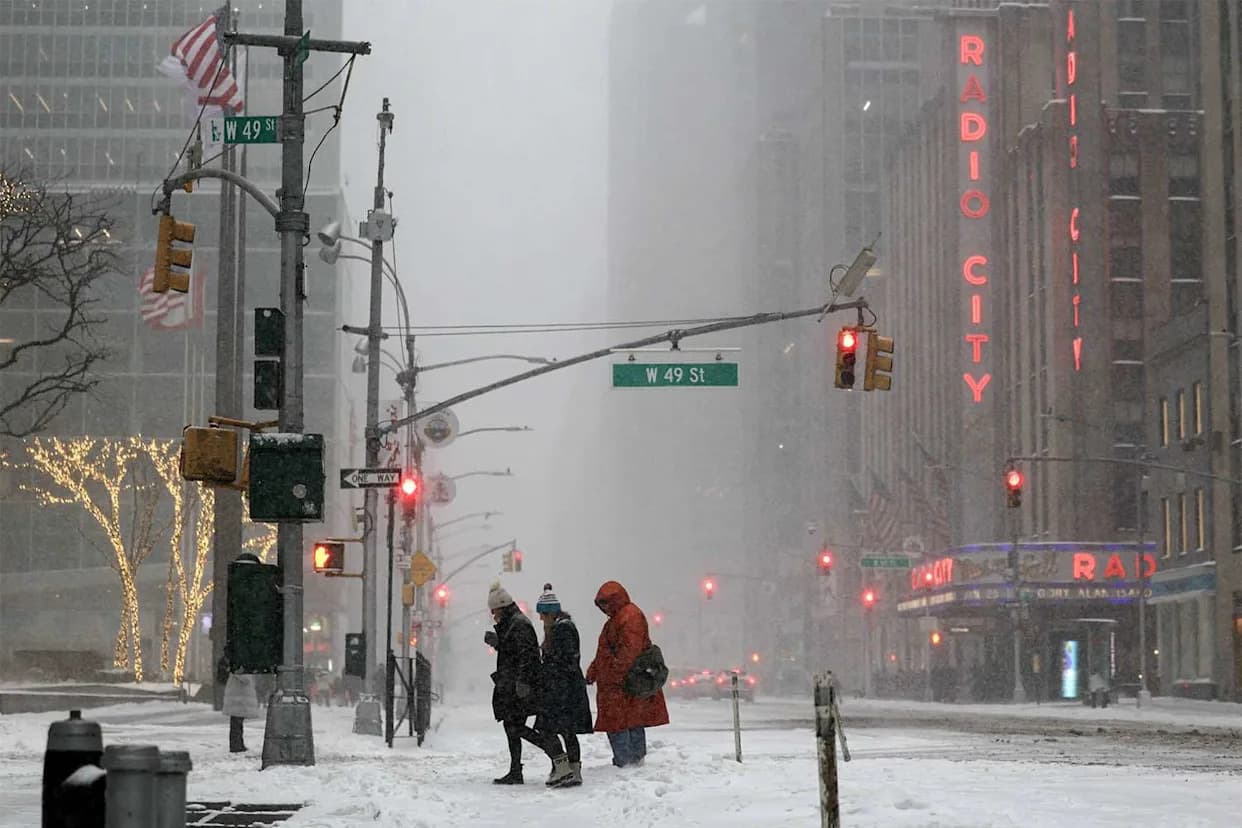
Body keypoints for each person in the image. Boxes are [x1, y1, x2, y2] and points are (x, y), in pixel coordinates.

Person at [485, 581, 570, 785]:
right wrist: (498, 642)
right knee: (512, 726)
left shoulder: (518, 623)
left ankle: (557, 757)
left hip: (520, 686)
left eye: (494, 610)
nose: (493, 615)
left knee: (515, 727)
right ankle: (518, 770)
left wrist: (522, 682)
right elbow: (515, 650)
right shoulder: (513, 623)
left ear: (501, 607)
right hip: (515, 684)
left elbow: (526, 655)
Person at [586, 580, 669, 768]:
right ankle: (631, 761)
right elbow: (605, 653)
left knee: (622, 723)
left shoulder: (629, 617)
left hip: (622, 684)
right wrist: (595, 671)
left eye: (606, 603)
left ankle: (627, 762)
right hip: (620, 683)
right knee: (629, 720)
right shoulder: (620, 618)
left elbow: (628, 652)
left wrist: (613, 676)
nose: (604, 608)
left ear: (614, 600)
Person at [533, 583, 593, 788]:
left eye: (542, 614)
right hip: (568, 689)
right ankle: (573, 769)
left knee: (547, 729)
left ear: (549, 613)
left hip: (561, 691)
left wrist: (546, 671)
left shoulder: (561, 630)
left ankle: (562, 767)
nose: (540, 618)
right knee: (567, 731)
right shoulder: (565, 626)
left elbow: (563, 661)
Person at [219, 659, 260, 753]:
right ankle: (236, 745)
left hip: (237, 700)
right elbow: (245, 679)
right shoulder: (239, 666)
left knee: (237, 724)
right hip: (238, 700)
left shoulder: (236, 665)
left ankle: (238, 744)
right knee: (237, 724)